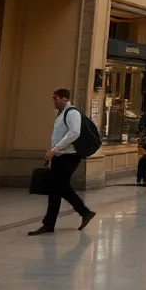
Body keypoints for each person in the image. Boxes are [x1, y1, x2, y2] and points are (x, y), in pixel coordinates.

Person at [28, 88, 96, 236]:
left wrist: (56, 149)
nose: (54, 100)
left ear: (65, 98)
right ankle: (83, 213)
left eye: (56, 98)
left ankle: (52, 223)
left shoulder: (72, 113)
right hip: (60, 155)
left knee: (58, 187)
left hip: (69, 156)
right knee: (58, 188)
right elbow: (59, 135)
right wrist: (53, 153)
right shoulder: (61, 114)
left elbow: (74, 132)